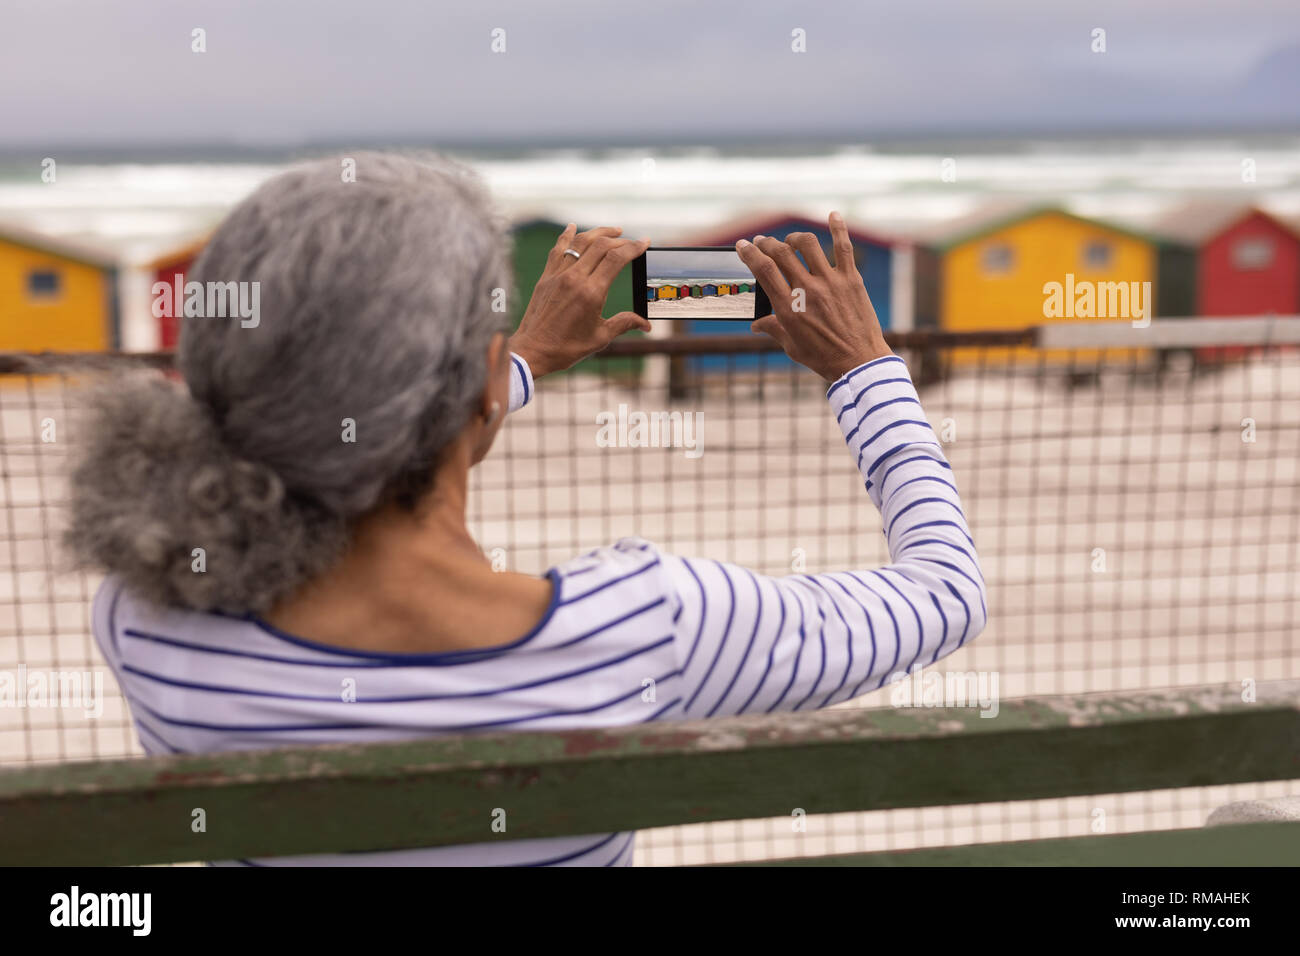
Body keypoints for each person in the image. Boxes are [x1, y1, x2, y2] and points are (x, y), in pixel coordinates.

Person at [66, 153, 986, 866]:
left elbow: (353, 446)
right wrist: (865, 370)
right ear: (471, 394)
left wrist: (514, 368)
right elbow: (947, 591)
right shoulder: (648, 628)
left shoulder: (150, 616)